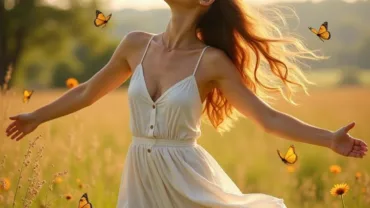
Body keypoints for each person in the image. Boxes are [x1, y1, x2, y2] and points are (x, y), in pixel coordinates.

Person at [5, 0, 368, 207]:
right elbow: (87, 91)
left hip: (187, 177)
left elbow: (267, 118)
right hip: (140, 175)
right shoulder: (135, 44)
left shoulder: (210, 62)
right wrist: (37, 115)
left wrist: (328, 139)